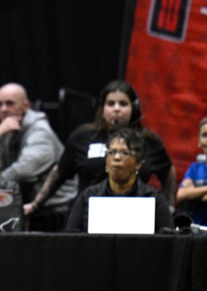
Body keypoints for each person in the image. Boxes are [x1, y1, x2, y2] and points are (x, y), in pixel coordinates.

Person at [25, 80, 176, 218]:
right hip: (88, 212)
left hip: (133, 214)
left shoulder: (148, 141)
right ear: (102, 109)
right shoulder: (83, 137)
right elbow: (59, 173)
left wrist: (169, 205)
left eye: (123, 104)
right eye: (111, 104)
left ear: (134, 108)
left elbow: (168, 172)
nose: (116, 109)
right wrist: (35, 204)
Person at [0, 83, 75, 231]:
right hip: (31, 206)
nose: (3, 109)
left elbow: (24, 171)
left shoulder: (40, 132)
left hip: (57, 210)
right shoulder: (7, 129)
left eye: (9, 103)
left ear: (26, 105)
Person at [65, 127, 172, 233]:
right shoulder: (88, 196)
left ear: (138, 163)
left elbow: (167, 242)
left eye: (125, 153)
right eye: (111, 152)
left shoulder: (153, 199)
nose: (116, 158)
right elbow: (72, 239)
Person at [176, 116, 207, 226]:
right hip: (199, 231)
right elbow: (181, 194)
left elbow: (189, 193)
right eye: (204, 135)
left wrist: (195, 191)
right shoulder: (195, 168)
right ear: (198, 141)